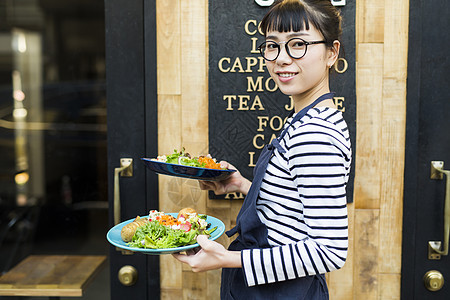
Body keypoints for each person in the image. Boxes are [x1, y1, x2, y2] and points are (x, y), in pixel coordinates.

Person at [173, 0, 352, 299]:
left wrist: (228, 259)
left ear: (331, 53)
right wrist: (243, 184)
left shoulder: (315, 133)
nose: (282, 58)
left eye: (298, 45)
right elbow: (294, 210)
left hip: (280, 292)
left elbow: (330, 251)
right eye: (273, 45)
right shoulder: (308, 117)